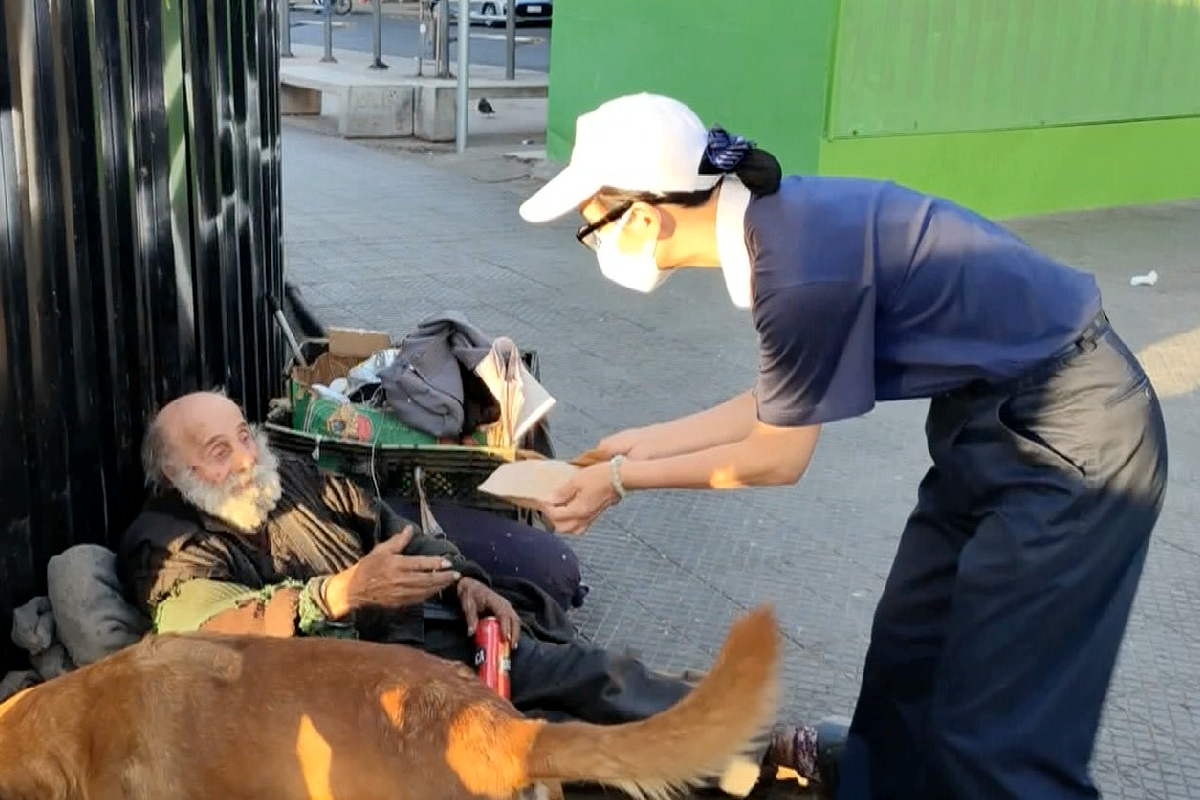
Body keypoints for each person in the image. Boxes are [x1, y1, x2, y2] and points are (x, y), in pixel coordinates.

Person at [517, 92, 1169, 800]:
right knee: (905, 667)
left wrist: (618, 480)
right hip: (986, 428)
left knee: (999, 742)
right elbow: (787, 394)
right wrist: (639, 442)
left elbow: (776, 455)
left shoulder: (796, 267)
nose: (597, 244)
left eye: (593, 229)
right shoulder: (779, 229)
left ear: (645, 215)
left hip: (1073, 439)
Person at [117, 390, 846, 796]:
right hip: (362, 707)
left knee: (583, 668)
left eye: (245, 433)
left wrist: (466, 579)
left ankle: (753, 745)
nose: (248, 455)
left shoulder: (297, 478)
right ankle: (730, 757)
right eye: (220, 450)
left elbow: (394, 525)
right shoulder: (167, 544)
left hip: (431, 638)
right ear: (176, 472)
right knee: (558, 736)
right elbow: (201, 636)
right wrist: (334, 595)